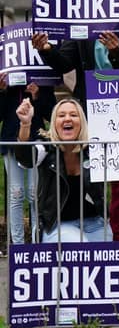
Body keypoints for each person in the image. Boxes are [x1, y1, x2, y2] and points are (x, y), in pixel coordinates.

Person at [32, 0, 119, 243]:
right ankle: (74, 228)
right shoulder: (85, 33)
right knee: (87, 175)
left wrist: (117, 52)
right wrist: (46, 49)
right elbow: (64, 63)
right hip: (88, 114)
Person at [14, 98, 112, 243]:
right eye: (61, 115)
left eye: (73, 115)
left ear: (82, 122)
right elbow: (25, 158)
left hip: (95, 223)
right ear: (54, 123)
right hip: (57, 225)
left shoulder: (94, 150)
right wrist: (25, 124)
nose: (67, 118)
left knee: (104, 257)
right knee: (80, 247)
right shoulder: (46, 149)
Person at [0, 78, 55, 243]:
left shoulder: (42, 79)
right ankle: (17, 246)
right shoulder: (5, 80)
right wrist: (1, 91)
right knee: (16, 193)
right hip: (10, 140)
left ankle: (37, 243)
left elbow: (52, 112)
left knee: (34, 193)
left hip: (36, 140)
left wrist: (37, 95)